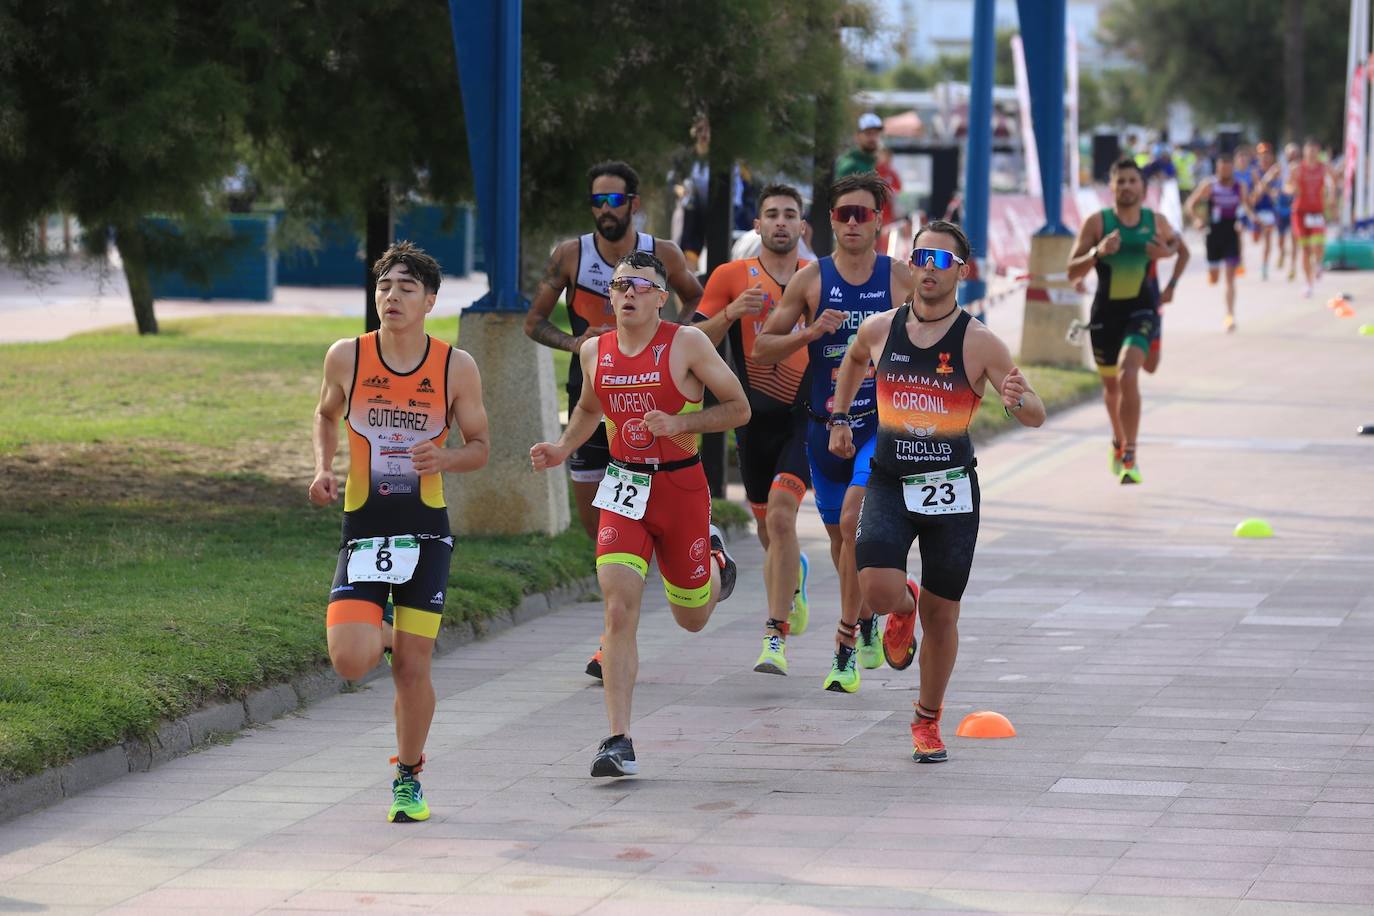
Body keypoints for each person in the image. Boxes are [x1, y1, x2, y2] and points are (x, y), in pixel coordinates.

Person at [829, 220, 1045, 763]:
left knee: (944, 618)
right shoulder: (881, 329)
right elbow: (854, 359)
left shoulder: (979, 341)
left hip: (950, 493)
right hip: (890, 480)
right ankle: (903, 605)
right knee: (876, 589)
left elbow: (1035, 413)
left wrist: (1018, 401)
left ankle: (927, 720)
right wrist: (839, 413)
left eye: (942, 261)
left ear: (961, 272)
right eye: (920, 257)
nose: (929, 268)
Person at [530, 250, 749, 778]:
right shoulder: (594, 352)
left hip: (680, 489)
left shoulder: (688, 343)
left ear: (661, 297)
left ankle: (716, 560)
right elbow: (589, 409)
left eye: (641, 286)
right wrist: (563, 448)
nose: (628, 292)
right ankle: (616, 739)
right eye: (621, 284)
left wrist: (678, 422)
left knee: (692, 618)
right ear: (611, 295)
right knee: (617, 610)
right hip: (624, 485)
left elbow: (738, 407)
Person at [310, 242, 491, 823]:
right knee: (350, 659)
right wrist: (322, 467)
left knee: (414, 670)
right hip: (364, 532)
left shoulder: (455, 367)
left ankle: (408, 778)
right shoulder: (347, 357)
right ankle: (388, 634)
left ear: (430, 301)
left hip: (426, 536)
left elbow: (481, 447)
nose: (392, 297)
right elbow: (325, 412)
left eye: (406, 288)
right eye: (385, 286)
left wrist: (445, 460)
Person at [523, 161, 703, 680]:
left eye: (615, 200)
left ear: (634, 203)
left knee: (632, 536)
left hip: (654, 406)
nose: (606, 210)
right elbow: (534, 322)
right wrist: (573, 342)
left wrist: (668, 338)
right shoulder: (570, 255)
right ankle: (620, 618)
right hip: (592, 400)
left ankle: (615, 634)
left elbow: (695, 296)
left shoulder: (662, 254)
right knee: (596, 524)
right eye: (597, 201)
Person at [754, 173, 916, 692]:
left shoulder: (898, 278)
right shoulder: (811, 280)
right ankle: (876, 612)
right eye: (843, 213)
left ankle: (844, 646)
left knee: (852, 522)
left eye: (861, 214)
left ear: (877, 221)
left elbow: (936, 333)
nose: (851, 222)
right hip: (822, 429)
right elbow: (762, 348)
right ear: (829, 220)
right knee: (842, 544)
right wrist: (810, 331)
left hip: (879, 426)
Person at [690, 184, 814, 674]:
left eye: (790, 215)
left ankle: (774, 636)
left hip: (807, 416)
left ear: (802, 227)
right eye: (771, 215)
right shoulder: (730, 275)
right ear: (757, 226)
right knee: (768, 528)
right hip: (751, 416)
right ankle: (793, 575)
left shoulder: (817, 275)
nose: (781, 223)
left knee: (782, 517)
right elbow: (690, 340)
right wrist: (730, 313)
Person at [1069, 158, 1187, 483]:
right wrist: (1098, 252)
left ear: (1144, 188)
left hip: (1143, 309)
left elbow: (1182, 249)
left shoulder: (1156, 222)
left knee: (1129, 373)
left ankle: (1130, 455)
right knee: (1111, 388)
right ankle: (1118, 441)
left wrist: (1171, 282)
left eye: (1132, 181)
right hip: (1105, 315)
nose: (1126, 187)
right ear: (1111, 188)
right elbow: (1071, 270)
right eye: (1120, 181)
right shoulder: (1097, 223)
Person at [1184, 152, 1250, 331]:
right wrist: (1197, 219)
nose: (1224, 172)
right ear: (1217, 168)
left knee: (1230, 277)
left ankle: (1230, 315)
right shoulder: (1209, 185)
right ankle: (1212, 271)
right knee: (1214, 278)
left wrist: (1247, 221)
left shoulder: (1239, 186)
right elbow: (1190, 204)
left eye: (1228, 168)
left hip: (1231, 233)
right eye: (1221, 168)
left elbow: (1245, 207)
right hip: (1213, 233)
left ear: (1232, 169)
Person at [836, 113, 903, 233]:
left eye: (876, 134)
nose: (872, 138)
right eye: (868, 133)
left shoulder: (881, 164)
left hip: (880, 228)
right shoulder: (849, 164)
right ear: (857, 136)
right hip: (856, 229)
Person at [1288, 139, 1334, 298]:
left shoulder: (1323, 168)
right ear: (1305, 152)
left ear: (1318, 152)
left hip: (1317, 212)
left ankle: (1319, 263)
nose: (1312, 153)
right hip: (1300, 213)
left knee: (1318, 244)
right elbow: (1287, 187)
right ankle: (1308, 284)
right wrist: (1292, 188)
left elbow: (1333, 181)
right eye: (1309, 150)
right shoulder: (1297, 169)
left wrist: (1331, 197)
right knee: (1305, 250)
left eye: (1314, 150)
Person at [1247, 142, 1281, 280]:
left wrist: (1264, 184)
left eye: (1267, 154)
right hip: (1257, 209)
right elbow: (1254, 196)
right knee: (1255, 240)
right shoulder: (1254, 172)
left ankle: (1264, 266)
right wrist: (1264, 184)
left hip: (1269, 210)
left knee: (1268, 237)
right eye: (1262, 154)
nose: (1265, 157)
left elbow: (1275, 194)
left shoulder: (1275, 172)